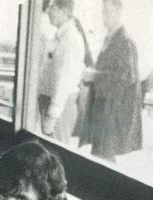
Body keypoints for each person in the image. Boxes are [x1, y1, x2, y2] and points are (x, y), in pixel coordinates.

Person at [76, 0, 142, 161]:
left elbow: (125, 78)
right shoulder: (111, 39)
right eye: (103, 11)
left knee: (104, 157)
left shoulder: (125, 42)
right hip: (104, 108)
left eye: (108, 12)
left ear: (119, 13)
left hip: (113, 113)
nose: (103, 16)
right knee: (99, 155)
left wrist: (94, 76)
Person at [38, 0, 88, 142]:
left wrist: (52, 114)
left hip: (61, 105)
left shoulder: (71, 40)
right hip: (51, 101)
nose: (48, 11)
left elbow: (64, 82)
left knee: (56, 151)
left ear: (65, 12)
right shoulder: (58, 36)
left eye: (53, 7)